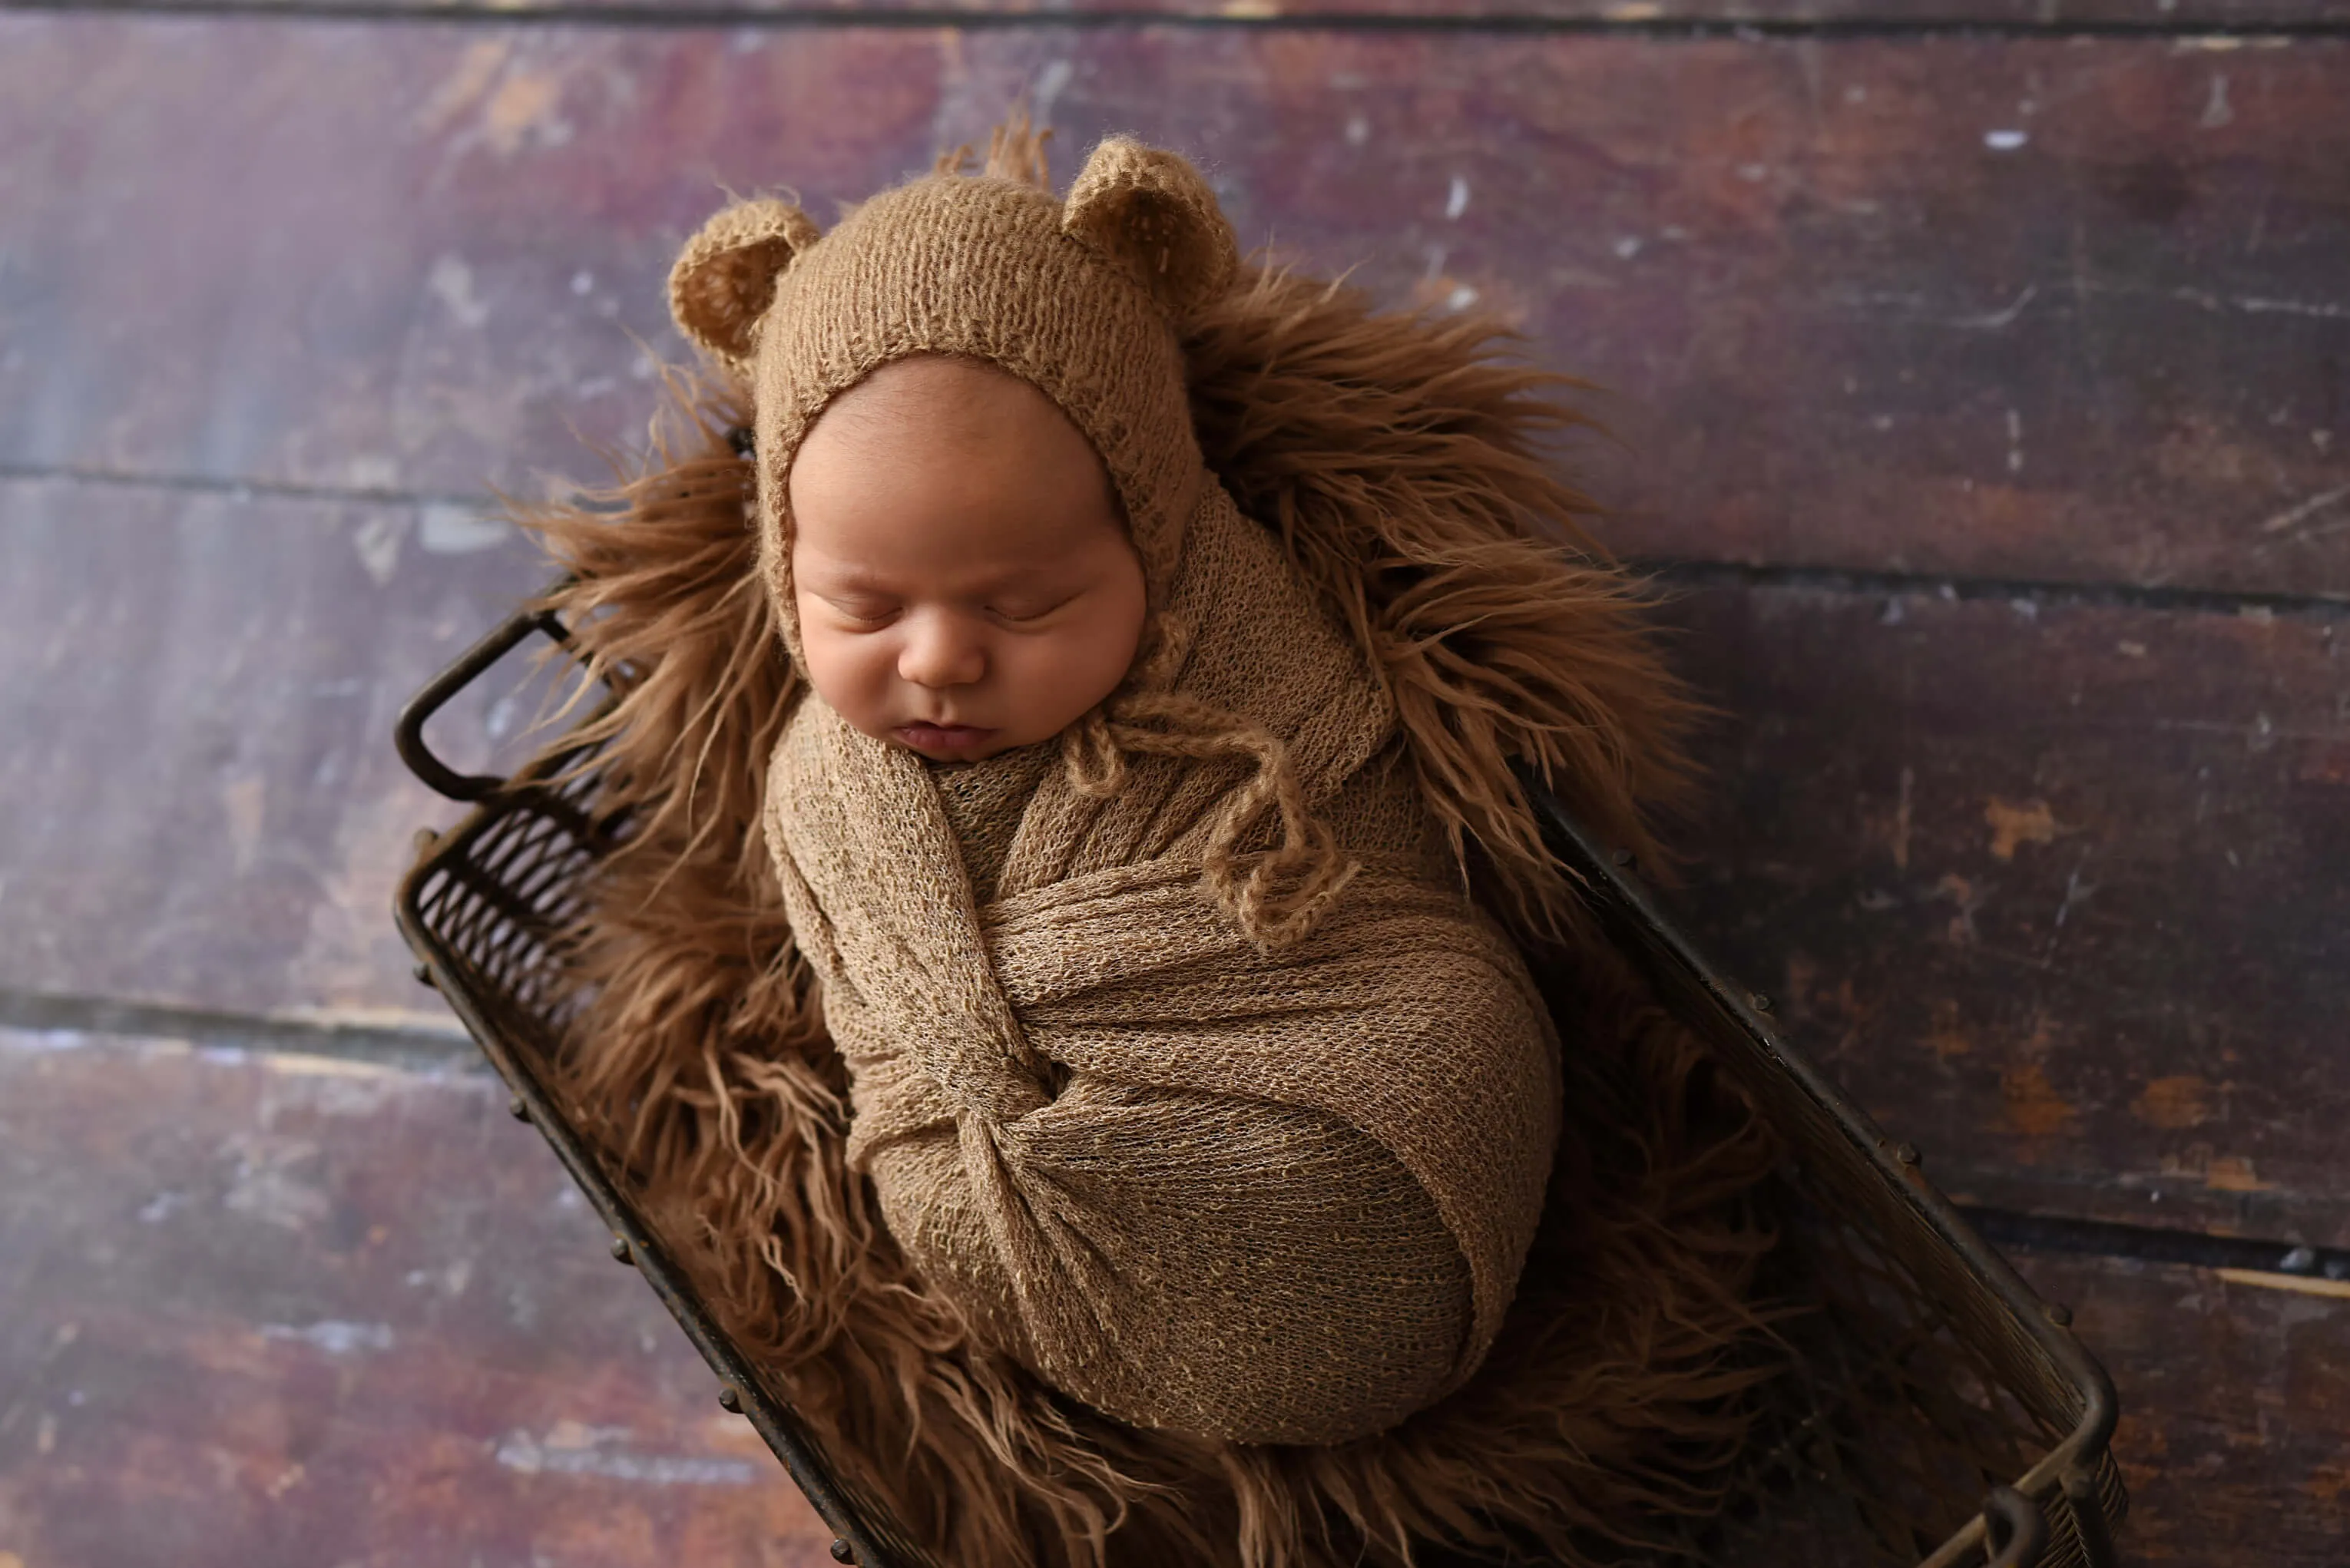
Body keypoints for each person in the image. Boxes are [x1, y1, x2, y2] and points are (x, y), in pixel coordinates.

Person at [521, 120, 1777, 1568]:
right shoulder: (823, 779)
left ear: (1158, 529)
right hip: (1015, 1176)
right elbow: (873, 1007)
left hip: (1359, 1091)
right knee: (931, 1154)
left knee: (1457, 1041)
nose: (939, 661)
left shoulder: (1244, 658)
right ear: (779, 564)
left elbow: (1366, 859)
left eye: (1031, 603)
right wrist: (999, 1046)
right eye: (863, 609)